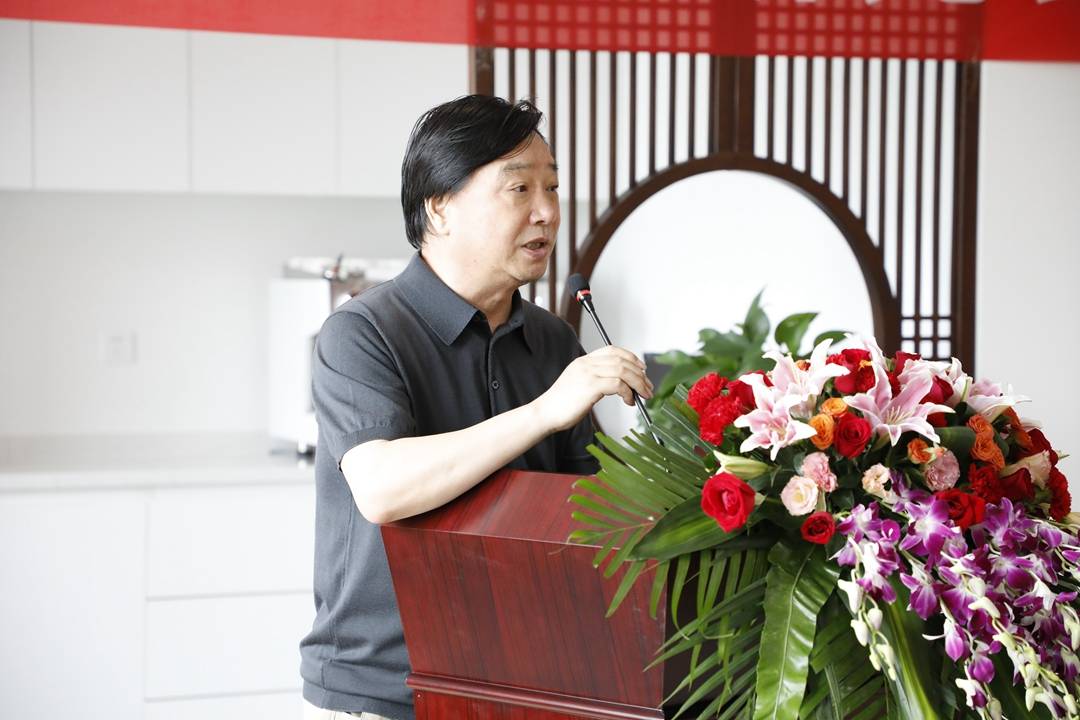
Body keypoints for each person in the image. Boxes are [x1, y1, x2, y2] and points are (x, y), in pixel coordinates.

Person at [299, 94, 653, 720]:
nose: (548, 211)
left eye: (553, 188)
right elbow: (382, 488)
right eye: (519, 189)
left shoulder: (551, 340)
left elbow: (583, 512)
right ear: (439, 206)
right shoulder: (362, 333)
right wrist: (544, 411)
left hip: (518, 679)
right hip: (384, 690)